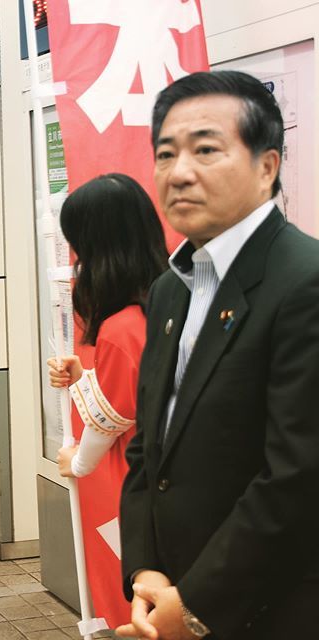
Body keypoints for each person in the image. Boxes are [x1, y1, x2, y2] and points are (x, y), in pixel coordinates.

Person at [117, 70, 319, 640]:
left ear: (267, 166)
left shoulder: (304, 283)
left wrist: (196, 606)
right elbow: (148, 446)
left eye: (206, 150)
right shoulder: (169, 289)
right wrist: (145, 571)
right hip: (172, 592)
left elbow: (298, 476)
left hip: (271, 609)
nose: (179, 172)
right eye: (165, 154)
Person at [47, 174, 167, 627]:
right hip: (164, 476)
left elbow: (112, 418)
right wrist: (84, 379)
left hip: (126, 478)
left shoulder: (119, 328)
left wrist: (77, 462)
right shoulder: (168, 302)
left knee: (129, 600)